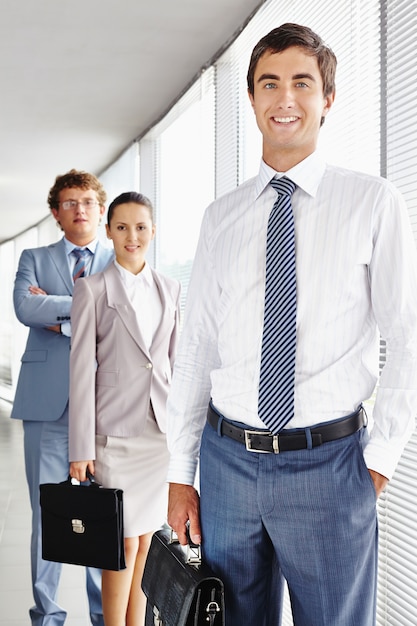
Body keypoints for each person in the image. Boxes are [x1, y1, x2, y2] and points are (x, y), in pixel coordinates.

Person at [166, 23, 417, 626]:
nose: (284, 99)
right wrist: (180, 475)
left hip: (329, 468)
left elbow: (407, 335)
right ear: (251, 98)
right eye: (268, 83)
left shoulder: (371, 201)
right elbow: (196, 345)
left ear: (327, 99)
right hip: (226, 465)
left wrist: (379, 459)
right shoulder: (220, 218)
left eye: (302, 83)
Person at [68, 191, 181, 626]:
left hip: (159, 436)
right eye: (121, 227)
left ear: (153, 231)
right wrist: (81, 446)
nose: (131, 236)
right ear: (108, 231)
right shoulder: (92, 289)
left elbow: (174, 364)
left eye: (140, 227)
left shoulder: (170, 288)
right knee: (122, 544)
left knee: (150, 541)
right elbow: (80, 371)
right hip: (113, 435)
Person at [11, 169, 114, 626]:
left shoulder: (119, 258)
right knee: (47, 510)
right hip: (46, 407)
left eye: (88, 201)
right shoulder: (34, 256)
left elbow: (119, 317)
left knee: (102, 511)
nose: (80, 210)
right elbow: (23, 308)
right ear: (56, 212)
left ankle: (101, 612)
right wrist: (84, 308)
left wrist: (56, 310)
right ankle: (47, 614)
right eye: (70, 203)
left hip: (106, 406)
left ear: (100, 208)